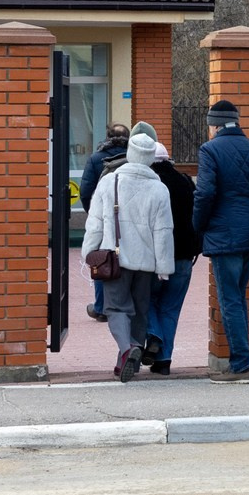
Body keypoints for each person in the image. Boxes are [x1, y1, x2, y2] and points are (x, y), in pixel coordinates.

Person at [192, 99, 249, 383]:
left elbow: (204, 193)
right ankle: (242, 362)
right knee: (237, 298)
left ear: (214, 125)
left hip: (224, 236)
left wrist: (200, 225)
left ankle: (242, 366)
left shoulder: (210, 150)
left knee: (230, 301)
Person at [82, 129, 177, 381]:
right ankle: (127, 363)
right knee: (139, 311)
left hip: (116, 258)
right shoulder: (160, 189)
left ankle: (127, 349)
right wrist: (164, 267)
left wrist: (89, 251)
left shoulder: (109, 182)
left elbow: (95, 223)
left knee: (116, 308)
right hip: (146, 263)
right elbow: (164, 232)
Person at [146, 125, 201, 375]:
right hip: (183, 257)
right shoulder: (185, 181)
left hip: (152, 257)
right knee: (171, 308)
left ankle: (154, 334)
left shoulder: (147, 183)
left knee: (143, 300)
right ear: (168, 159)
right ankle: (164, 361)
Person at [78, 121, 129, 321]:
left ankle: (101, 307)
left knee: (101, 260)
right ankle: (125, 304)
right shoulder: (132, 159)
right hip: (130, 218)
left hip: (103, 217)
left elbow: (85, 190)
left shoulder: (96, 158)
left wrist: (93, 213)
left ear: (108, 137)